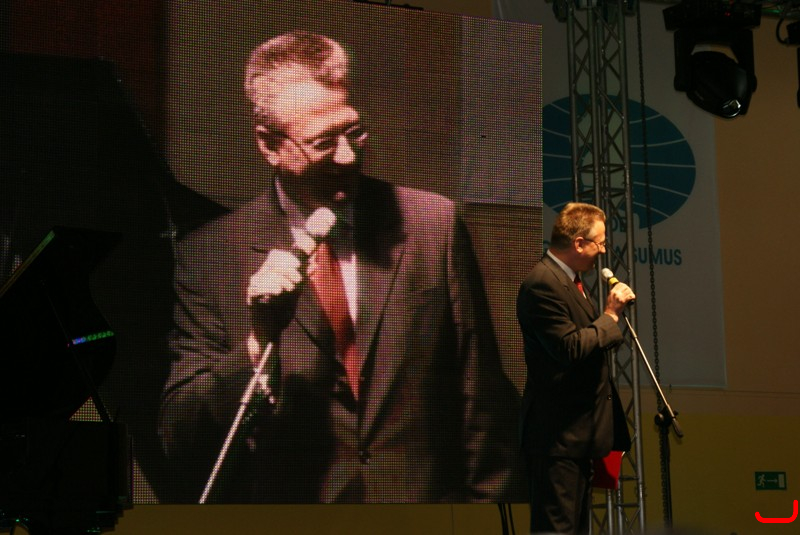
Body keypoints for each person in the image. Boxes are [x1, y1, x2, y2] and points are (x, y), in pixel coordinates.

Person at [158, 30, 523, 504]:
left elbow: (483, 398)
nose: (348, 156)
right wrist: (258, 342)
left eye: (354, 132)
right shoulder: (209, 255)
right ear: (268, 145)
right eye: (323, 143)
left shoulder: (433, 225)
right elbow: (180, 433)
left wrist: (483, 517)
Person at [516, 202, 635, 534]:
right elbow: (568, 348)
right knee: (557, 529)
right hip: (557, 438)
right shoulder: (543, 283)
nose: (604, 251)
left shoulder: (571, 282)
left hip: (579, 437)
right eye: (600, 243)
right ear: (579, 243)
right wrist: (610, 316)